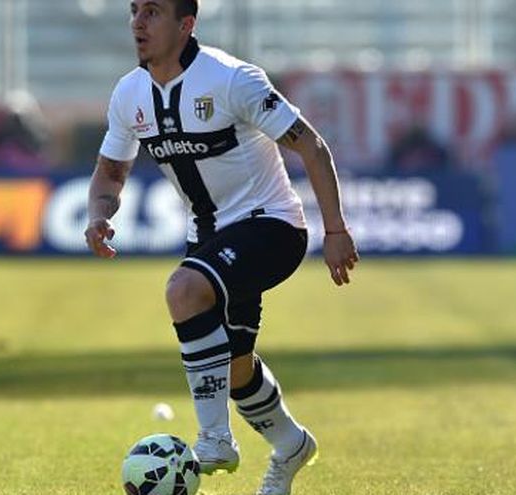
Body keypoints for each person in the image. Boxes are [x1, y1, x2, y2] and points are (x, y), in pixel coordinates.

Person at [84, 1, 358, 494]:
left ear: (186, 25)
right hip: (208, 237)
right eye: (134, 10)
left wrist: (335, 230)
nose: (138, 23)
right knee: (235, 369)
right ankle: (291, 444)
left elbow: (311, 146)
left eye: (153, 12)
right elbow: (110, 171)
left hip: (272, 225)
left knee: (183, 289)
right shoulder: (129, 94)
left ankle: (215, 439)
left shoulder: (232, 79)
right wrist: (99, 215)